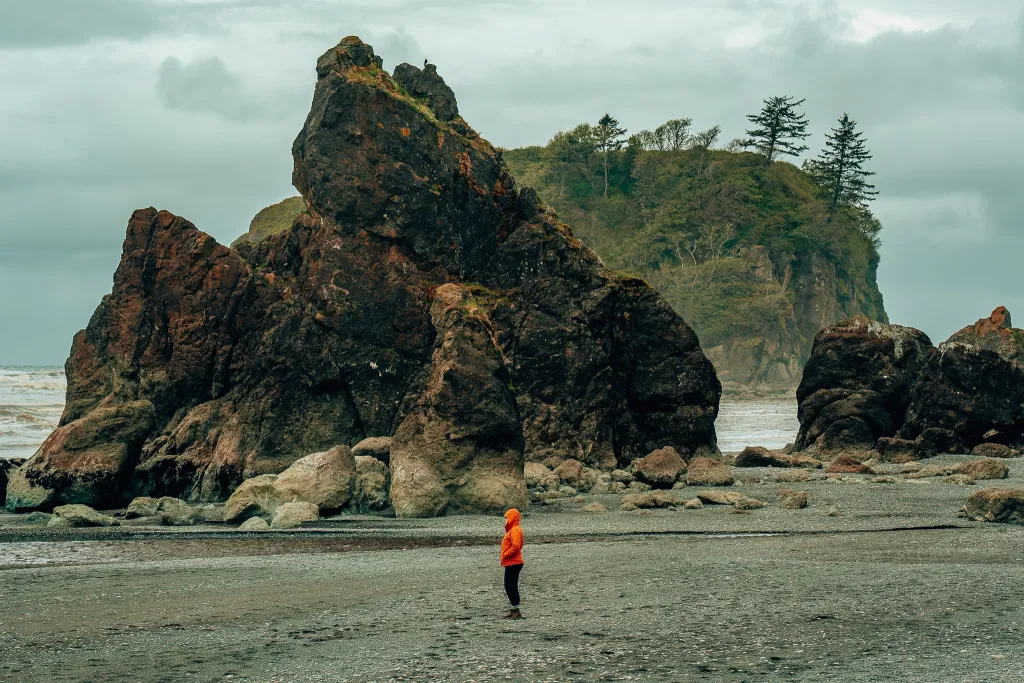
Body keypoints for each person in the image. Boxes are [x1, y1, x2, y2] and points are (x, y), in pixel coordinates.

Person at [500, 508, 524, 619]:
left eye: (507, 518)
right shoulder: (513, 530)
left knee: (510, 586)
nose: (505, 520)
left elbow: (516, 546)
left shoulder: (515, 530)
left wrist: (506, 555)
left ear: (512, 518)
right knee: (510, 586)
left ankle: (516, 610)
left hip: (513, 562)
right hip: (511, 562)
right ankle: (514, 609)